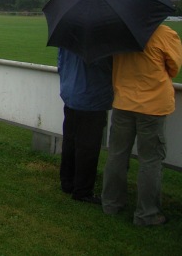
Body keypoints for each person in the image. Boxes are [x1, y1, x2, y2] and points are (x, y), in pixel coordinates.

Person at [102, 24, 182, 226]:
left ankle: (111, 203)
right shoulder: (164, 34)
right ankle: (147, 214)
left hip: (123, 102)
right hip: (152, 107)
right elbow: (173, 67)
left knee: (117, 155)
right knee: (151, 160)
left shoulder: (119, 33)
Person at [58, 48, 113, 204]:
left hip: (71, 94)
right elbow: (106, 68)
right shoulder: (101, 42)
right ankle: (82, 190)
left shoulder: (68, 36)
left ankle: (67, 182)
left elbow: (60, 62)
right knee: (88, 147)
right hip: (92, 98)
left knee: (70, 140)